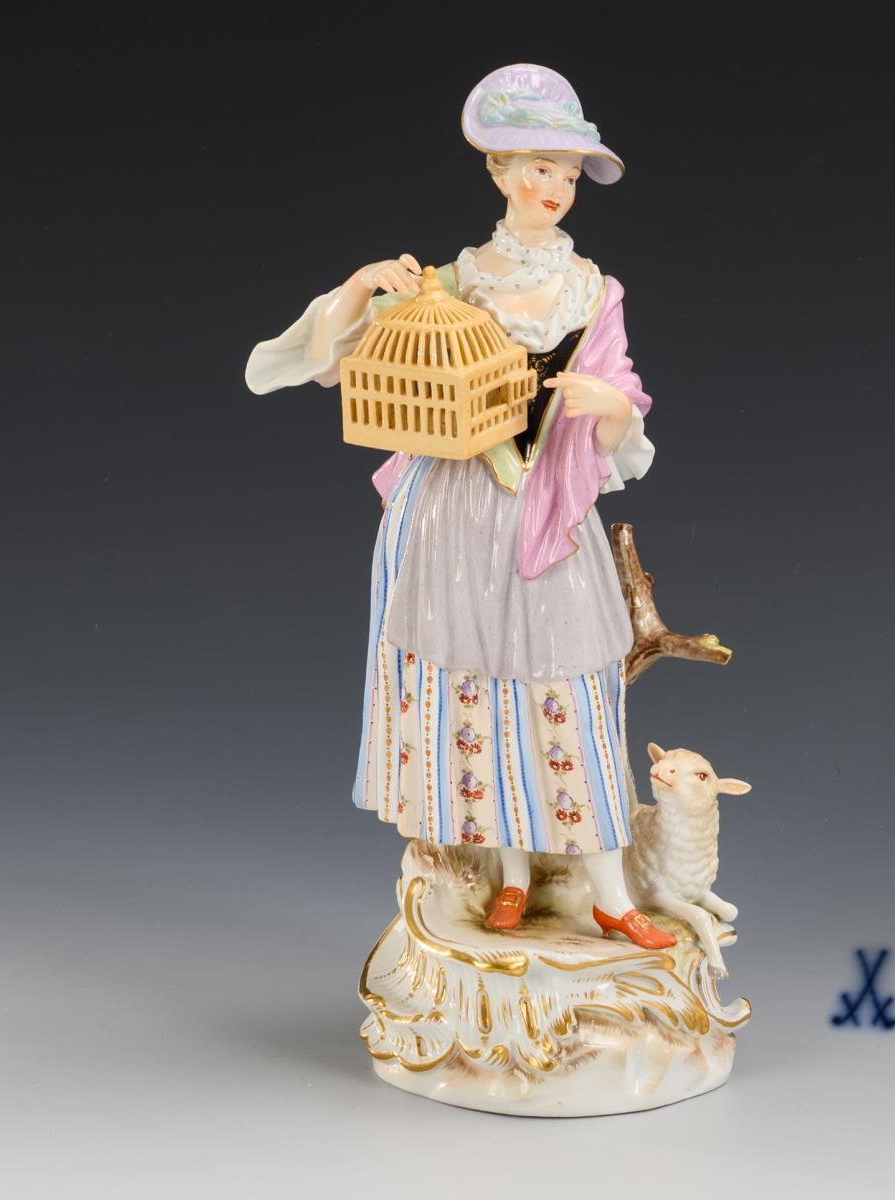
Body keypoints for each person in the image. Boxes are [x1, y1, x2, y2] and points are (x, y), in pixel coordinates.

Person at [246, 64, 673, 949]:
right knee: (478, 692)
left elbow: (621, 407)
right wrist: (363, 285)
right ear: (500, 171)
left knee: (568, 686)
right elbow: (349, 359)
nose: (554, 188)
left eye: (567, 174)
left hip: (546, 512)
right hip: (453, 511)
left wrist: (610, 407)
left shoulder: (594, 291)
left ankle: (608, 889)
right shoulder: (453, 283)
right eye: (540, 167)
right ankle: (510, 874)